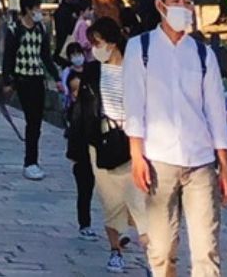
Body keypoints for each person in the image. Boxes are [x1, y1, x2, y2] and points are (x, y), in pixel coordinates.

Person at [124, 0, 227, 277]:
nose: (183, 7)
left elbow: (215, 111)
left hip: (200, 162)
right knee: (161, 248)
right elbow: (134, 106)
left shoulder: (201, 53)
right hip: (159, 159)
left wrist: (224, 164)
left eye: (188, 2)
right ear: (160, 5)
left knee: (207, 247)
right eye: (176, 1)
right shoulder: (140, 48)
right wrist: (137, 156)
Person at [73, 16, 148, 274]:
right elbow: (82, 112)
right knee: (111, 201)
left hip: (133, 142)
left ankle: (153, 257)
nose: (94, 48)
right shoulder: (93, 71)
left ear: (113, 42)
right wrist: (77, 148)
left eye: (98, 42)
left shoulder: (137, 68)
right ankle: (115, 250)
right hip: (101, 142)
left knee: (141, 201)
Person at [4, 0, 58, 180]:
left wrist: (56, 77)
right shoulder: (14, 29)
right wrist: (7, 81)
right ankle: (30, 161)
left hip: (38, 78)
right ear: (27, 9)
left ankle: (33, 160)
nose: (39, 12)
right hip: (22, 79)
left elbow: (45, 57)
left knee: (36, 121)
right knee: (31, 120)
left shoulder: (41, 29)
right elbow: (8, 57)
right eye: (36, 8)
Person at [60, 40, 97, 241]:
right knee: (85, 185)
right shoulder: (72, 77)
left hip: (98, 137)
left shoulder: (93, 71)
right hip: (81, 140)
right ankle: (85, 223)